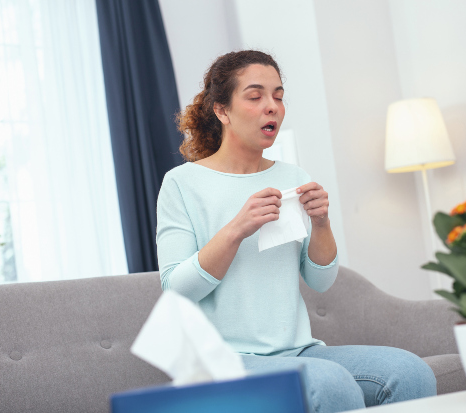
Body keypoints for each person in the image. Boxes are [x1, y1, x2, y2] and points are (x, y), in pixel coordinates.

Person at [156, 50, 436, 412]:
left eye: (278, 95)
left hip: (298, 351)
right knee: (330, 383)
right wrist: (237, 229)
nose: (272, 106)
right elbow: (176, 288)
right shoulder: (183, 183)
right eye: (255, 96)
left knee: (411, 372)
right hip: (218, 360)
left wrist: (321, 223)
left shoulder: (292, 177)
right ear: (222, 110)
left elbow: (320, 281)